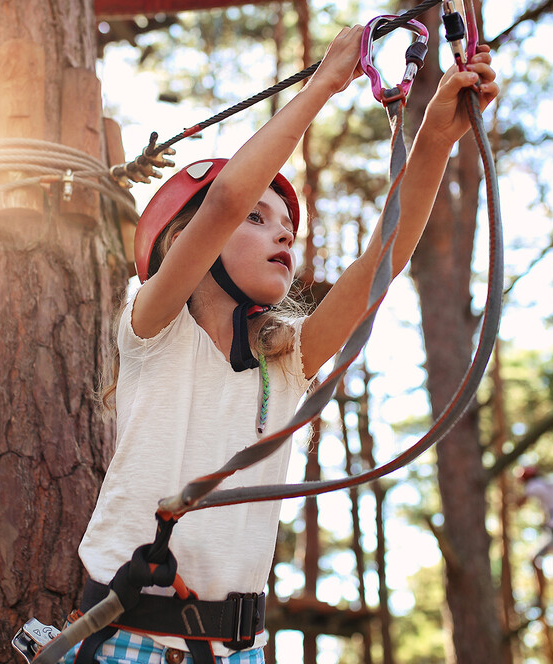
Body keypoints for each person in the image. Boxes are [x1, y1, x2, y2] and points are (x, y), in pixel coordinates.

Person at [67, 23, 498, 664]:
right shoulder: (151, 327)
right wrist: (327, 80)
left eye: (288, 225)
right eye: (258, 219)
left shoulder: (285, 362)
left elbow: (386, 254)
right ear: (180, 243)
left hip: (241, 648)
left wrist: (436, 132)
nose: (284, 235)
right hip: (132, 638)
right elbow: (223, 201)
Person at [518, 466, 553, 572]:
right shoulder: (552, 483)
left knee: (534, 559)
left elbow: (520, 502)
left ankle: (540, 588)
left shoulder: (534, 485)